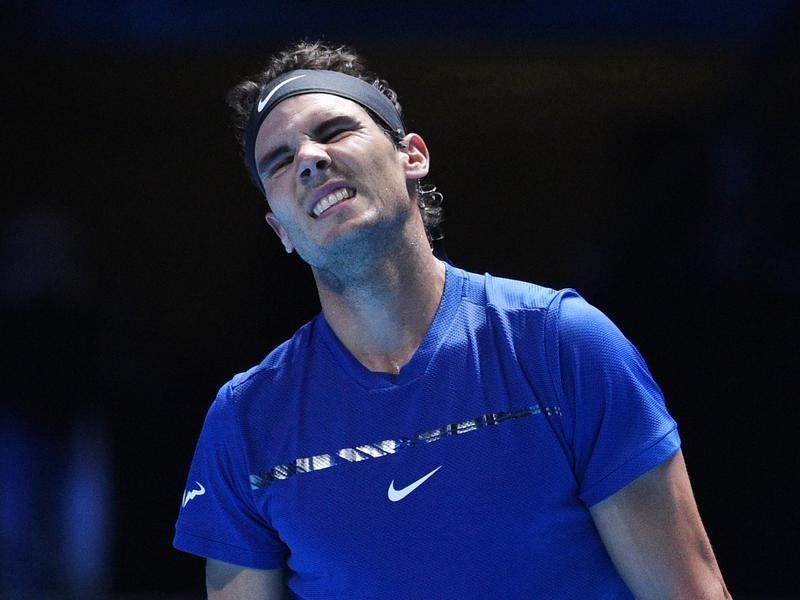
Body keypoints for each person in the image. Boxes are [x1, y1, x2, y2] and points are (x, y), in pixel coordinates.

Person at [173, 40, 731, 599]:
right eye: (279, 161)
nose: (309, 160)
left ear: (412, 156)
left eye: (335, 131)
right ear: (281, 231)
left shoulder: (561, 345)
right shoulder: (244, 422)